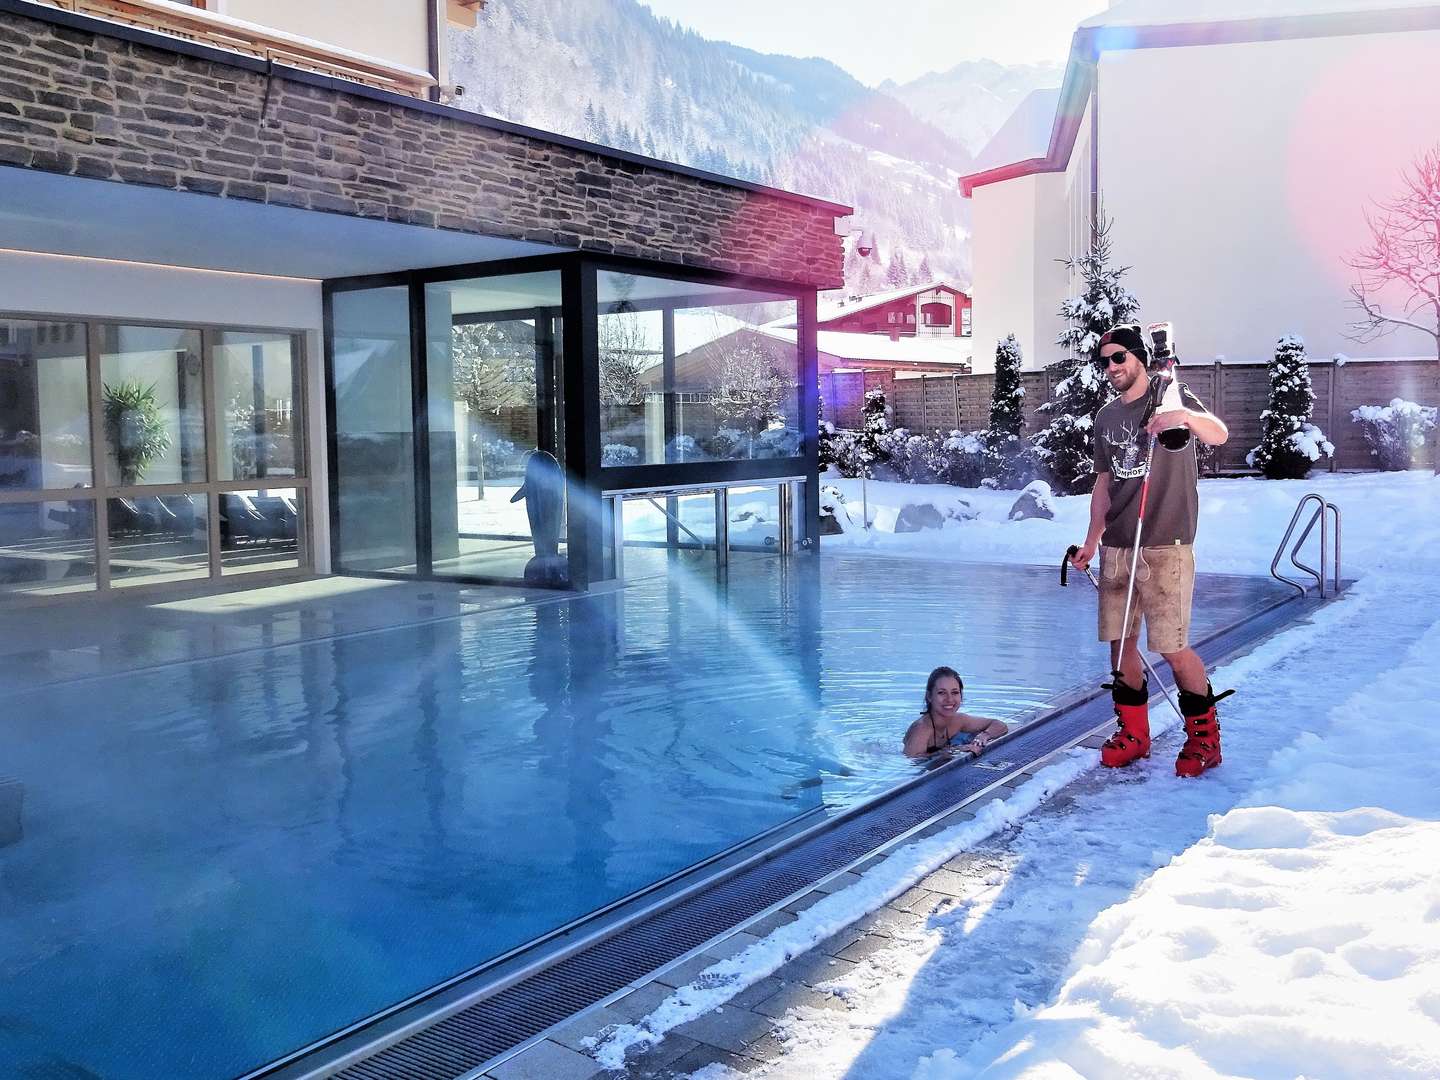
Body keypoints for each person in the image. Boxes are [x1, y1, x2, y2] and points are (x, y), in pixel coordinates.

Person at [1068, 324, 1232, 777]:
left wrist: (1182, 420)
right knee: (1121, 647)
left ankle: (1204, 740)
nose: (1110, 368)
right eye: (1103, 361)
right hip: (1120, 542)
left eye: (1118, 357)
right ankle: (1135, 734)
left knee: (1172, 646)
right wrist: (1091, 540)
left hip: (1167, 540)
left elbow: (1218, 434)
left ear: (1138, 357)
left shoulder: (1169, 396)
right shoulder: (1105, 418)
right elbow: (1103, 485)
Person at [903, 666, 1008, 759]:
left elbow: (1000, 725)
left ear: (961, 695)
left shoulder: (959, 720)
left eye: (954, 692)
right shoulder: (921, 729)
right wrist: (954, 750)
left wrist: (984, 736)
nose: (949, 699)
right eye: (941, 693)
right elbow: (912, 758)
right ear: (929, 696)